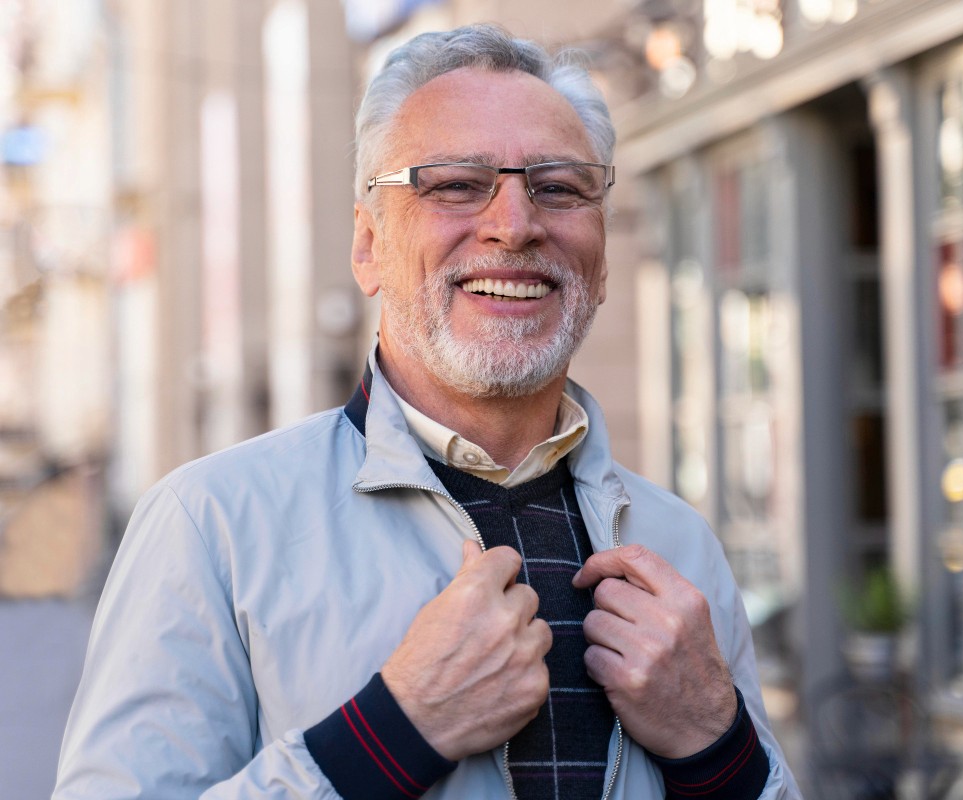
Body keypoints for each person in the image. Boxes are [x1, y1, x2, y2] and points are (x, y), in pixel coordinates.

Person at [54, 23, 800, 800]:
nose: (515, 224)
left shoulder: (682, 547)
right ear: (368, 245)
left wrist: (717, 747)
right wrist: (391, 735)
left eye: (559, 187)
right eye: (453, 184)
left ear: (604, 256)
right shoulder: (212, 526)